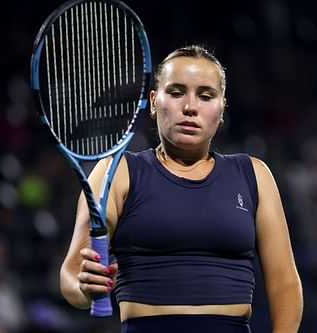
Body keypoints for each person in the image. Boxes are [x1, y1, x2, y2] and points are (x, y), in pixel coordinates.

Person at [60, 45, 303, 333]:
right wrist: (83, 287)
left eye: (205, 95)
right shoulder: (117, 172)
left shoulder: (254, 175)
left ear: (222, 107)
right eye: (176, 92)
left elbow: (286, 283)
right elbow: (71, 273)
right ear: (153, 101)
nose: (190, 107)